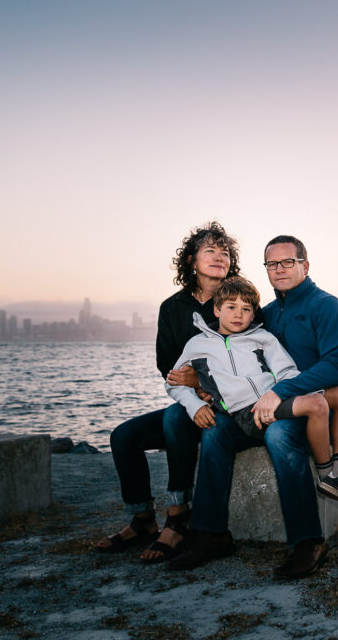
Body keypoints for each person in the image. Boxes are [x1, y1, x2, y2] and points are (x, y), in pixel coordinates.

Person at [171, 235, 338, 577]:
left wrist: (281, 391)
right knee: (214, 431)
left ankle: (308, 542)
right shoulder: (266, 315)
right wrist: (201, 386)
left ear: (305, 264)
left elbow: (335, 367)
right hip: (255, 408)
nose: (279, 269)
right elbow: (235, 357)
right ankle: (210, 534)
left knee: (279, 437)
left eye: (287, 262)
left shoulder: (327, 306)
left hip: (306, 409)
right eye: (271, 264)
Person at [94, 221, 240, 563]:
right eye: (210, 251)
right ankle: (143, 519)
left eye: (225, 252)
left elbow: (248, 363)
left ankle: (178, 517)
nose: (219, 257)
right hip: (190, 403)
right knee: (124, 437)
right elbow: (169, 368)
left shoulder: (238, 302)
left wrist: (205, 387)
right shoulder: (172, 308)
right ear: (191, 260)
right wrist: (191, 391)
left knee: (176, 418)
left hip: (230, 406)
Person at [166, 276, 338, 513]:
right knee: (316, 404)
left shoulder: (262, 337)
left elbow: (287, 370)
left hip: (273, 399)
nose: (238, 315)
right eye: (231, 307)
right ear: (216, 309)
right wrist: (195, 405)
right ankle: (327, 476)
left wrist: (279, 391)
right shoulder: (198, 344)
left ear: (254, 314)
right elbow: (174, 383)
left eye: (246, 309)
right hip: (248, 412)